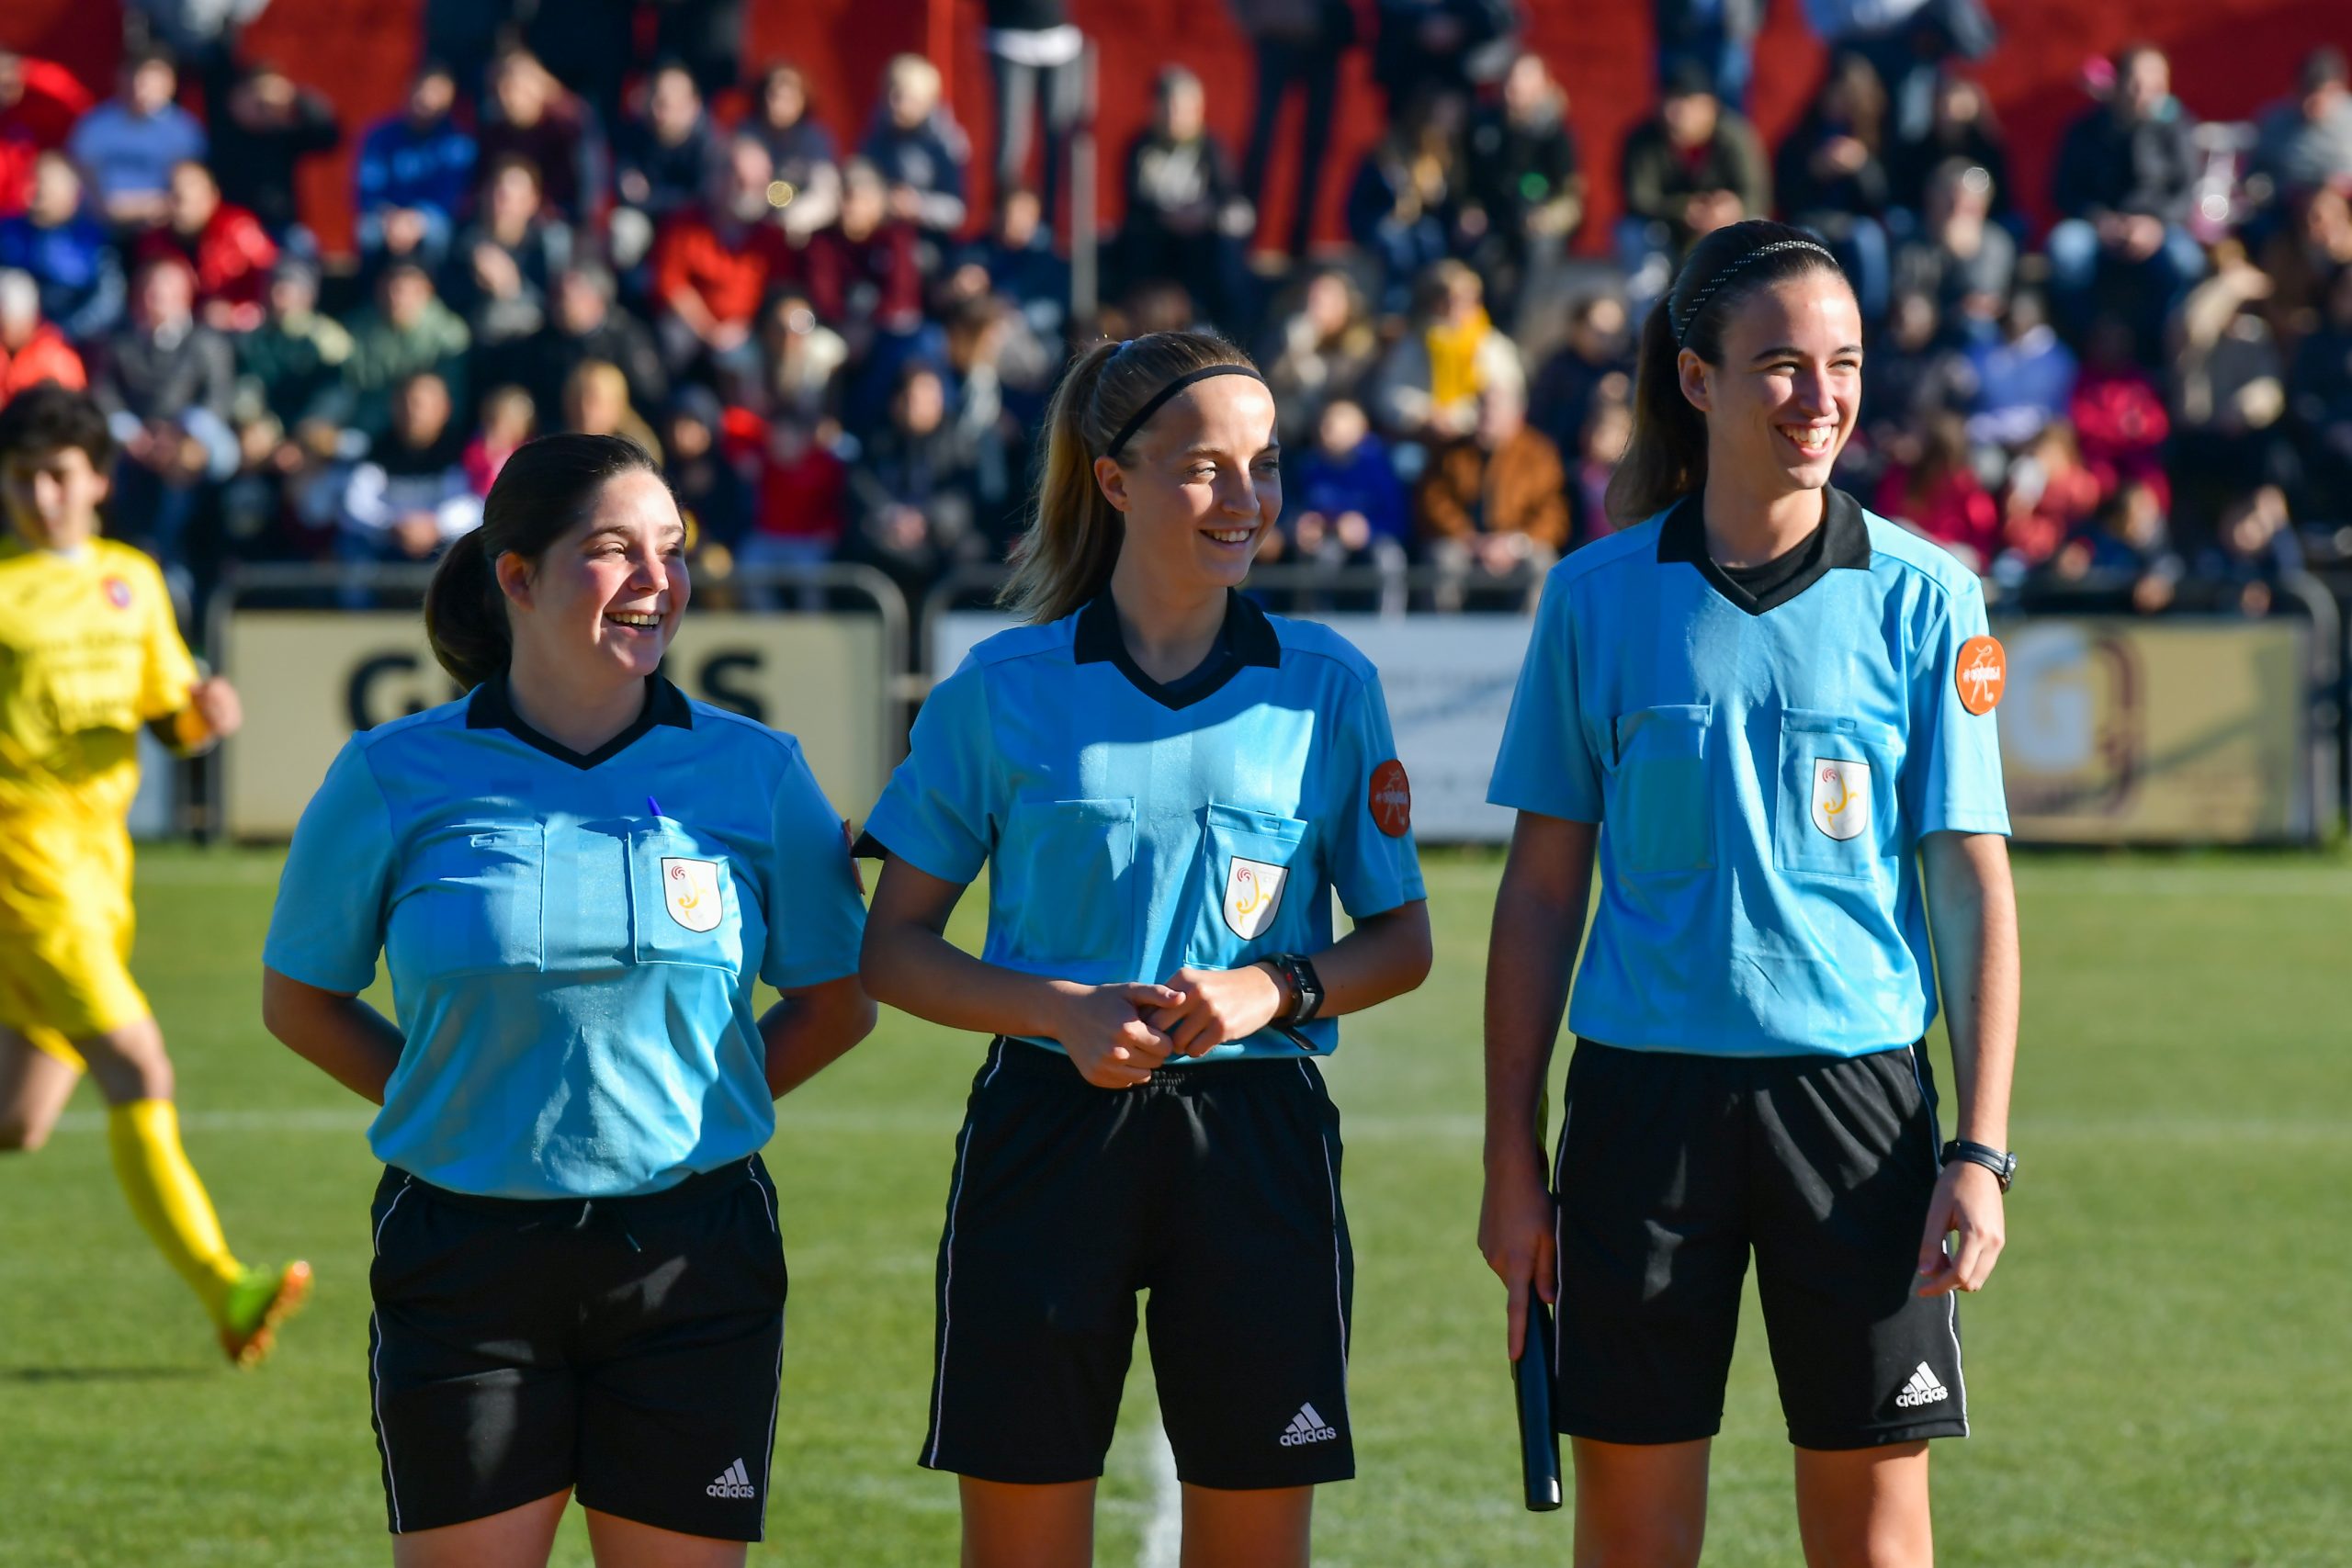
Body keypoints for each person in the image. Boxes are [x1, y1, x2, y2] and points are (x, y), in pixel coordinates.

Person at [1480, 220, 2019, 1568]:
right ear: (1695, 378)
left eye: (1843, 363)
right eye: (1780, 363)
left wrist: (1979, 1150)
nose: (1819, 397)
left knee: (1877, 1537)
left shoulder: (1930, 599)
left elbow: (1970, 887)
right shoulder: (1593, 600)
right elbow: (1539, 896)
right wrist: (1510, 1155)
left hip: (1859, 1114)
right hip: (1640, 1114)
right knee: (1633, 1536)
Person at [858, 331, 1432, 1568]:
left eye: (1263, 464)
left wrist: (1275, 986)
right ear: (1114, 480)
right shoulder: (999, 687)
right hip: (1044, 1135)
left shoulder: (1328, 684)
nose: (1246, 497)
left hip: (1259, 1142)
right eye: (1205, 467)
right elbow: (893, 949)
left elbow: (1403, 941)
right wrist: (1058, 1009)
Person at [260, 433, 875, 1563]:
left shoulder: (760, 772)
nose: (656, 579)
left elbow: (839, 1004)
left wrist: (693, 1108)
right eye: (613, 549)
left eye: (671, 549)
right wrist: (460, 1100)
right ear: (517, 576)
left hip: (695, 1255)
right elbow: (300, 1000)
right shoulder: (389, 773)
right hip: (465, 1261)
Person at [0, 383, 309, 1366]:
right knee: (140, 1065)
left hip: (101, 871)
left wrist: (200, 717)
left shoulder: (130, 581)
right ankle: (227, 1286)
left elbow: (167, 712)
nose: (41, 496)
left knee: (19, 1119)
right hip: (22, 870)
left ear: (98, 479)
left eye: (59, 476)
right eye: (23, 478)